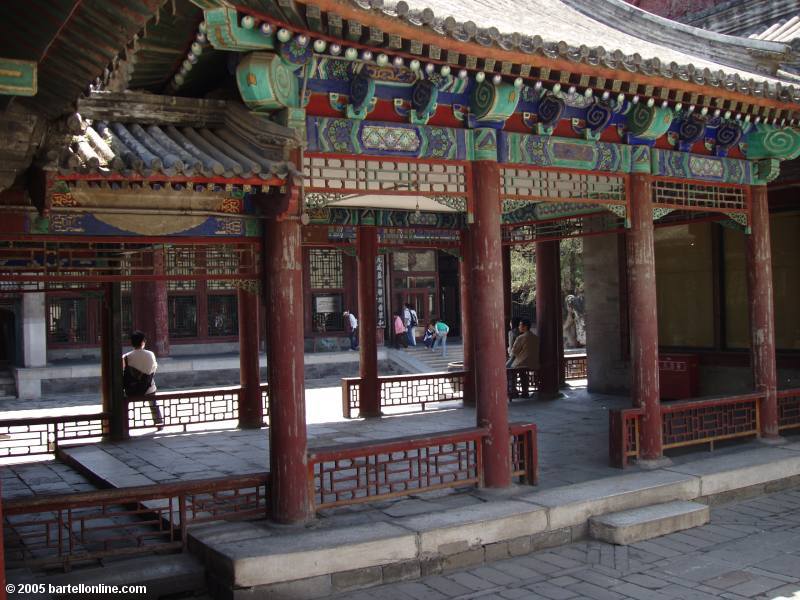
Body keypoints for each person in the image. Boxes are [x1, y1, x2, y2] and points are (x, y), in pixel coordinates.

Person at [122, 330, 163, 428]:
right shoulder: (150, 354)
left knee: (123, 403)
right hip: (148, 388)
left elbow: (123, 371)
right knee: (153, 404)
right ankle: (158, 423)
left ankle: (123, 424)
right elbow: (153, 368)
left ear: (132, 343)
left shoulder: (126, 357)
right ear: (143, 342)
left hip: (131, 389)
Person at [508, 319, 540, 398]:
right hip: (534, 363)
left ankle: (513, 392)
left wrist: (509, 349)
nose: (518, 327)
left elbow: (513, 352)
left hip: (522, 362)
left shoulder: (521, 337)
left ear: (525, 327)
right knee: (523, 373)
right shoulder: (535, 337)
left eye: (520, 325)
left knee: (509, 371)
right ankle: (525, 392)